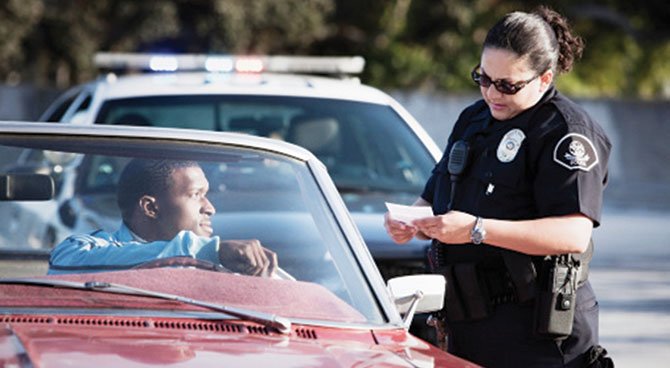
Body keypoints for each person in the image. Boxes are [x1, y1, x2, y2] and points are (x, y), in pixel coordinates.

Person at [384, 6, 613, 368]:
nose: (493, 93)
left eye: (508, 84)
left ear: (544, 78)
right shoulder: (474, 120)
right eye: (484, 78)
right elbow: (434, 196)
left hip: (537, 337)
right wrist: (411, 222)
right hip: (467, 328)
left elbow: (573, 233)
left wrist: (476, 230)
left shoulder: (567, 134)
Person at [49, 158, 278, 277]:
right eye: (196, 195)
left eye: (205, 195)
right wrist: (208, 252)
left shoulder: (229, 265)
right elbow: (64, 262)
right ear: (150, 207)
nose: (210, 208)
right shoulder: (84, 250)